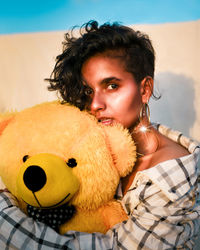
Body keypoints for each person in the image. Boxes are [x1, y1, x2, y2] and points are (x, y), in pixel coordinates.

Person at [0, 20, 200, 249]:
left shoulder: (170, 174)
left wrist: (5, 215)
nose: (95, 103)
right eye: (88, 91)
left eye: (112, 86)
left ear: (145, 89)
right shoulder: (96, 146)